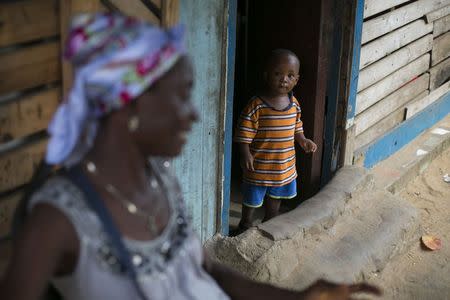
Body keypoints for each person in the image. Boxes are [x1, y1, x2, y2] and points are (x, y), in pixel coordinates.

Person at [0, 13, 381, 300]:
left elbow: (208, 271)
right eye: (179, 98)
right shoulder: (56, 220)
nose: (194, 114)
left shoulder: (159, 180)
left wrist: (297, 297)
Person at [234, 49, 317, 232]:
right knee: (252, 199)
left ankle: (270, 221)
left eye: (290, 75)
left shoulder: (294, 103)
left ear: (296, 80)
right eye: (278, 74)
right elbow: (244, 132)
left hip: (283, 166)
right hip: (259, 167)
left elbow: (297, 127)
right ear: (266, 75)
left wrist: (303, 140)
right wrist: (245, 153)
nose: (284, 79)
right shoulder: (256, 105)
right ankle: (245, 223)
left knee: (276, 197)